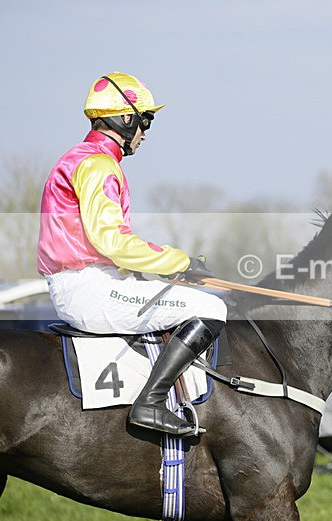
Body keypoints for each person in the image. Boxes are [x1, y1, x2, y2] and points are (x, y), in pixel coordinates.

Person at [38, 72, 227, 437]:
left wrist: (164, 270)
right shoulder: (97, 164)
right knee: (212, 308)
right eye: (146, 120)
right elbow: (114, 243)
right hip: (89, 288)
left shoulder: (84, 159)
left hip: (88, 282)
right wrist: (180, 261)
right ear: (125, 118)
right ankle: (150, 403)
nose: (145, 133)